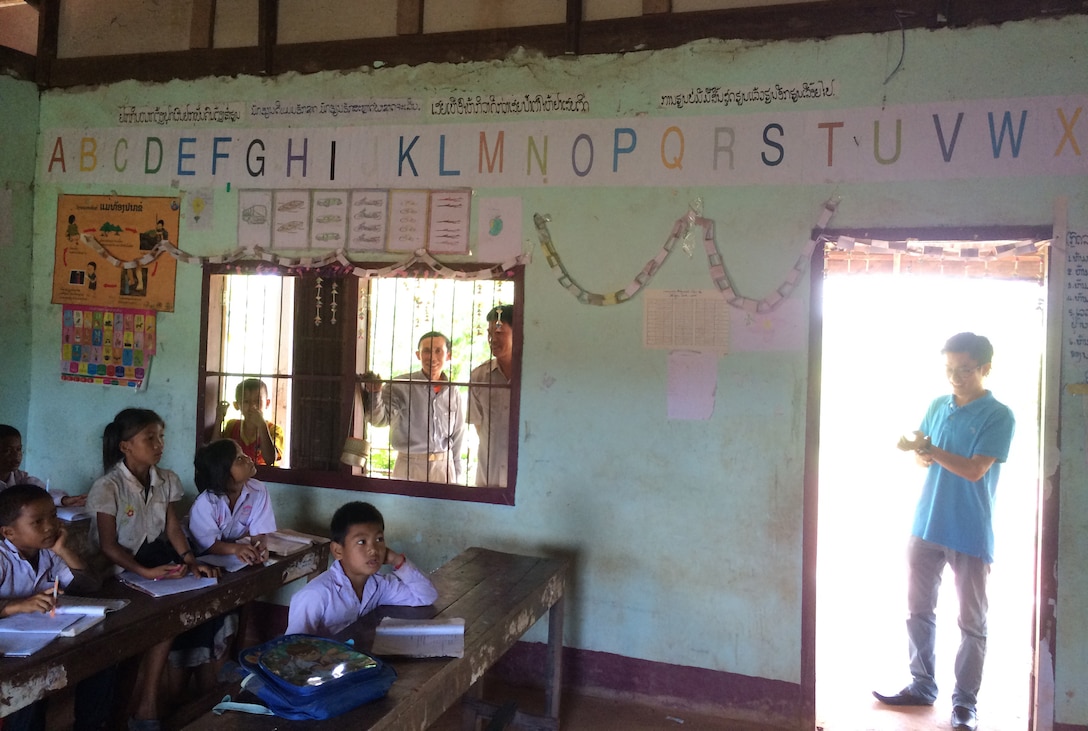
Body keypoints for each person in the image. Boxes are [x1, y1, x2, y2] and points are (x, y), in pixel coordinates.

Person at [873, 332, 1015, 731]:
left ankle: (965, 705)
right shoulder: (938, 405)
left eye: (964, 370)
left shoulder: (998, 415)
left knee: (972, 623)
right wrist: (920, 450)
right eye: (949, 369)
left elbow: (974, 470)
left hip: (970, 531)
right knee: (918, 611)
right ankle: (921, 685)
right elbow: (926, 461)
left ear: (986, 368)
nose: (955, 377)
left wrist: (932, 451)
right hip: (926, 524)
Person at [87, 408, 219, 731]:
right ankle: (142, 705)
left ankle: (151, 702)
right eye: (150, 437)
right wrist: (145, 573)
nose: (159, 444)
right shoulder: (108, 486)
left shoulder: (167, 480)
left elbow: (174, 529)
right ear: (125, 446)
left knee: (184, 608)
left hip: (153, 562)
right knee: (156, 622)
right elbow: (108, 546)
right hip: (114, 571)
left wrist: (189, 559)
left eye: (161, 437)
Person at [0, 483, 114, 731]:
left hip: (42, 635)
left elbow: (90, 585)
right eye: (37, 522)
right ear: (9, 533)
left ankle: (91, 725)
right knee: (28, 687)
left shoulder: (48, 551)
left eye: (53, 516)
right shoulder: (2, 558)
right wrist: (16, 606)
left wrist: (63, 549)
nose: (50, 526)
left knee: (101, 656)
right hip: (10, 649)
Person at [286, 501, 437, 636]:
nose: (373, 550)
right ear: (338, 551)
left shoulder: (380, 585)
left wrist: (397, 561)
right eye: (362, 542)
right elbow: (292, 649)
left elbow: (425, 596)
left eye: (379, 539)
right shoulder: (315, 595)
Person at [363, 331, 465, 483]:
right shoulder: (400, 385)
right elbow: (379, 420)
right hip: (409, 465)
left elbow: (458, 434)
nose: (432, 357)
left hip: (444, 467)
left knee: (444, 507)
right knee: (403, 507)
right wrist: (375, 394)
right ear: (418, 355)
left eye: (438, 351)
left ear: (448, 355)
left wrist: (456, 472)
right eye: (427, 351)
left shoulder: (453, 391)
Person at [189, 439, 276, 561]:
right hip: (200, 557)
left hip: (230, 557)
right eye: (239, 459)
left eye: (244, 454)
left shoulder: (258, 491)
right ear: (223, 473)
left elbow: (259, 531)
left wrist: (260, 547)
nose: (248, 458)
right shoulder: (207, 503)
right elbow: (208, 544)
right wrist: (236, 549)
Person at [468, 304, 514, 487]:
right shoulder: (479, 376)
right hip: (489, 475)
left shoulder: (534, 377)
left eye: (499, 333)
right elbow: (479, 426)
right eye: (490, 333)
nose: (492, 339)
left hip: (527, 475)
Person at [0, 424, 87, 508]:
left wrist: (64, 500)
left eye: (18, 449)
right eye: (7, 450)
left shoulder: (20, 478)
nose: (16, 455)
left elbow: (43, 493)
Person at [214, 378, 283, 466]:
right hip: (238, 478)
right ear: (236, 405)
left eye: (257, 401)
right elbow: (215, 453)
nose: (252, 406)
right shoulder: (232, 426)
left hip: (265, 478)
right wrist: (218, 420)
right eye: (246, 401)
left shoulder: (274, 430)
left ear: (267, 403)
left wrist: (262, 425)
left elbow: (270, 459)